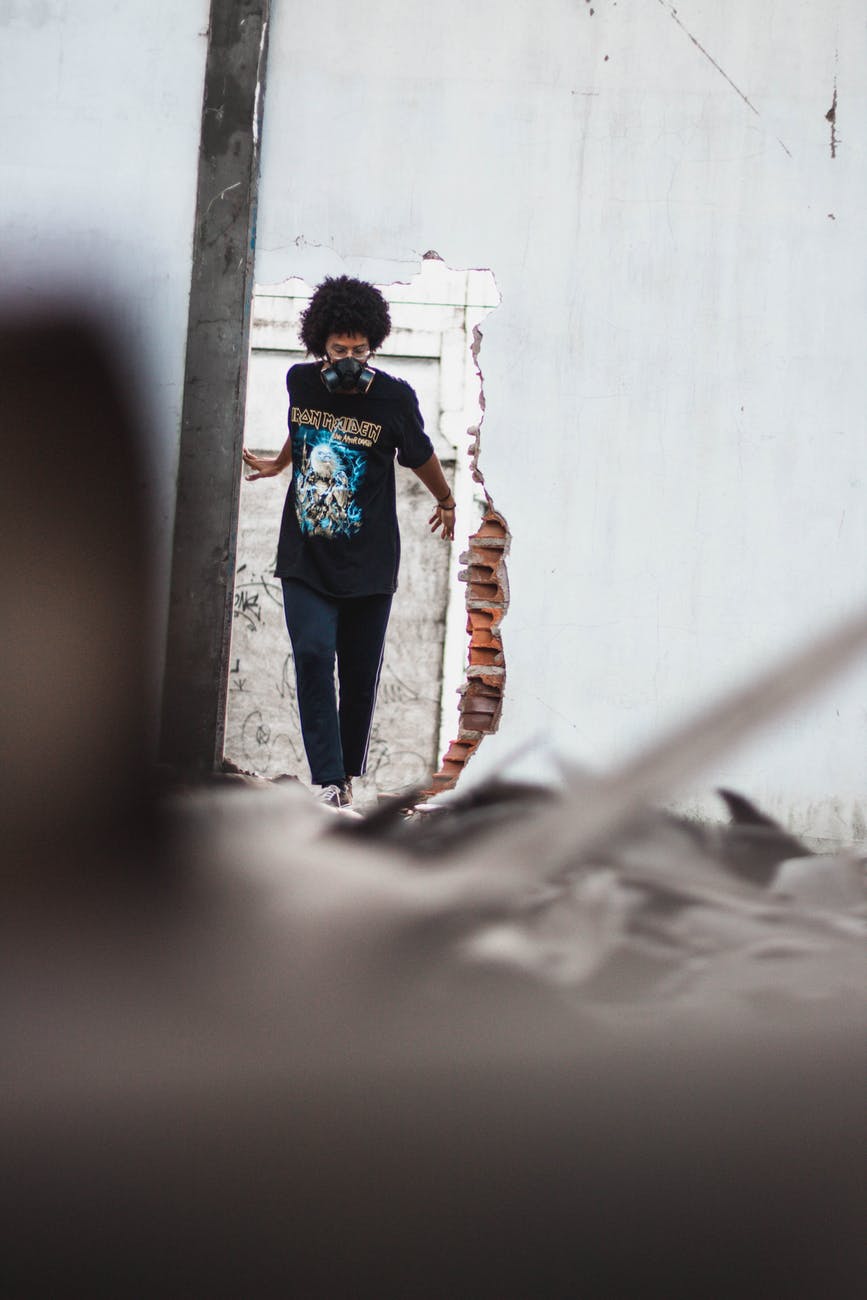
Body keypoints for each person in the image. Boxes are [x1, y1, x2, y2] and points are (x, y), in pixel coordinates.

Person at [242, 275, 456, 810]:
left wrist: (447, 500)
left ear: (373, 346)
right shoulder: (300, 380)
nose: (349, 359)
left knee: (358, 677)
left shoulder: (394, 398)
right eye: (339, 349)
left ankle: (350, 772)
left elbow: (419, 453)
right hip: (306, 555)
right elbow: (306, 426)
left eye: (360, 350)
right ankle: (330, 781)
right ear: (321, 345)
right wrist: (279, 462)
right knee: (314, 656)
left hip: (368, 562)